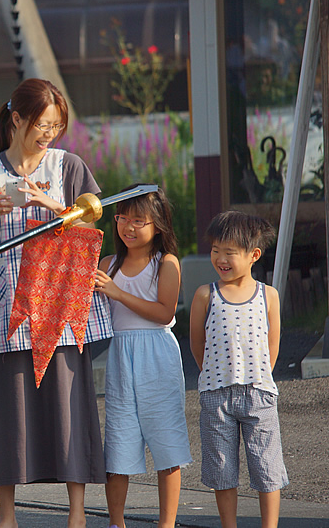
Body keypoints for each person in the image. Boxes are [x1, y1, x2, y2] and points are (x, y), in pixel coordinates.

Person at [0, 78, 112, 528]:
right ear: (17, 119)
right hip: (6, 305)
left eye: (56, 126)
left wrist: (54, 206)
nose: (49, 134)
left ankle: (77, 512)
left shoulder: (68, 167)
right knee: (8, 406)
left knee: (70, 403)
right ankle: (8, 515)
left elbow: (94, 230)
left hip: (60, 303)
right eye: (41, 124)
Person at [93, 184, 192, 528]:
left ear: (158, 224)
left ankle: (167, 523)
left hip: (157, 354)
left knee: (166, 442)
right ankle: (116, 522)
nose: (129, 227)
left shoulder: (166, 263)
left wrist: (117, 293)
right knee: (119, 442)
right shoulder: (109, 263)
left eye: (139, 220)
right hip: (120, 356)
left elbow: (165, 313)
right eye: (122, 218)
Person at [189, 210, 287, 528]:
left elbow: (272, 346)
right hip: (216, 396)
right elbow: (197, 343)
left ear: (253, 255)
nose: (221, 258)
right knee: (222, 469)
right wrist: (214, 375)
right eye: (216, 250)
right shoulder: (205, 295)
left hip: (258, 394)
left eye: (229, 252)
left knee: (266, 467)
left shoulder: (268, 296)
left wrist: (259, 378)